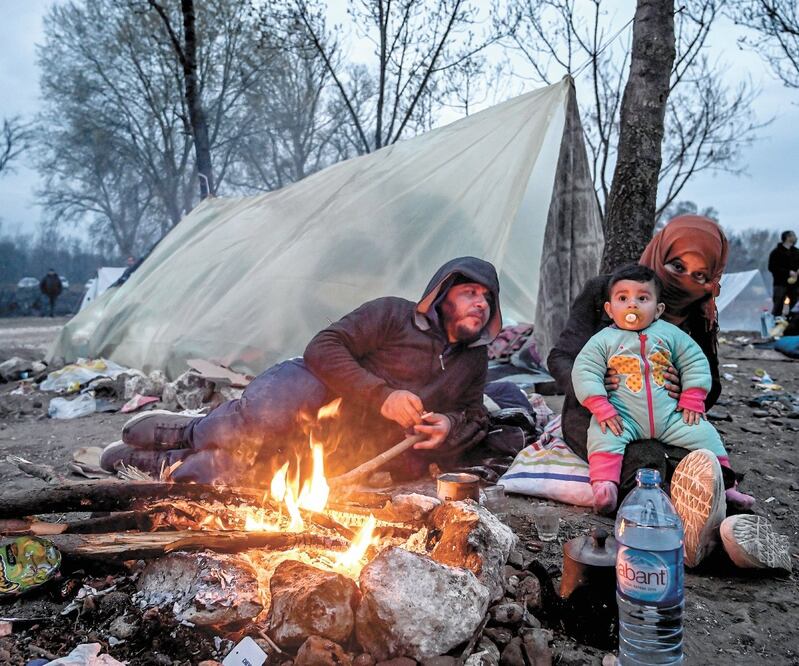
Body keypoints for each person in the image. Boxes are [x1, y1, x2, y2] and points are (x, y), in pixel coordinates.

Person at [101, 257, 502, 486]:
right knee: (260, 420)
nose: (480, 304)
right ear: (441, 292)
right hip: (311, 398)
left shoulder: (473, 360)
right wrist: (384, 396)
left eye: (487, 299)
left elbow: (476, 414)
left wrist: (449, 425)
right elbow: (323, 348)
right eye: (469, 292)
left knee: (225, 477)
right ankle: (187, 432)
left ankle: (161, 464)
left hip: (349, 445)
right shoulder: (393, 314)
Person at [548, 216, 764, 568]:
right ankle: (689, 534)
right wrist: (595, 387)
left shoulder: (699, 312)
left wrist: (688, 389)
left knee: (696, 459)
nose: (686, 281)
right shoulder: (607, 290)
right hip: (603, 416)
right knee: (644, 460)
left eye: (699, 275)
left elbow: (710, 379)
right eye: (677, 265)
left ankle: (719, 511)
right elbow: (560, 357)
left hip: (668, 416)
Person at [571, 265, 747, 565]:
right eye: (623, 299)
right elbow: (584, 370)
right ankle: (605, 488)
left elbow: (694, 362)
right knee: (602, 434)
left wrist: (692, 396)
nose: (632, 306)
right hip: (622, 415)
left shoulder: (670, 335)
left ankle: (726, 486)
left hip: (670, 416)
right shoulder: (602, 341)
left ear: (658, 307)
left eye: (642, 299)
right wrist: (600, 404)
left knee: (704, 433)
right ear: (609, 309)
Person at [767, 230, 799, 316]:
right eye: (794, 236)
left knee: (793, 300)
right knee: (778, 305)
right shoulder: (776, 253)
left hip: (795, 285)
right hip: (780, 284)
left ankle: (786, 319)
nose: (796, 238)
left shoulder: (797, 252)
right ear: (787, 238)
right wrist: (788, 272)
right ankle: (774, 322)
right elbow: (772, 267)